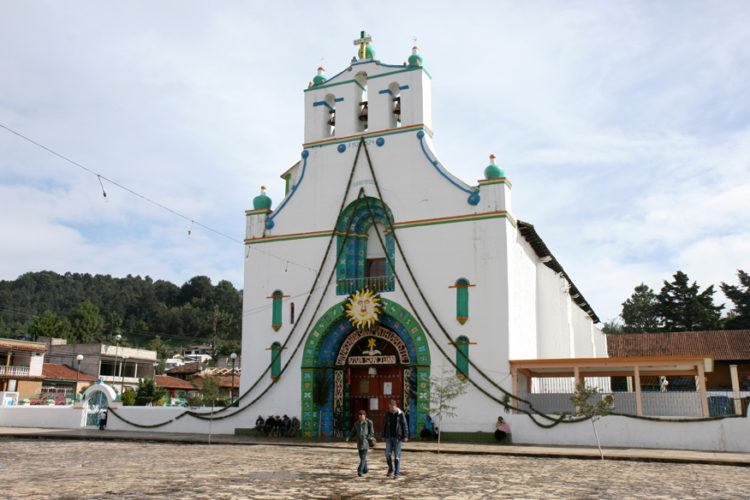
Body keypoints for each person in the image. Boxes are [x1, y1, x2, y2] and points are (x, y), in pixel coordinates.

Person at [382, 399, 408, 478]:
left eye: (392, 407)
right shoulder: (387, 414)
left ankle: (397, 473)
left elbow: (404, 425)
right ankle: (390, 469)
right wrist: (383, 435)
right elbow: (385, 424)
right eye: (389, 408)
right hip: (389, 437)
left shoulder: (401, 414)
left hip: (398, 437)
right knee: (387, 454)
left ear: (395, 406)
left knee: (397, 456)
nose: (391, 409)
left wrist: (406, 435)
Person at [346, 410, 375, 477]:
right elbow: (353, 431)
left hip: (365, 442)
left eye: (362, 416)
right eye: (359, 416)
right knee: (362, 457)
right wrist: (348, 437)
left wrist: (368, 438)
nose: (361, 418)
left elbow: (372, 433)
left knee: (363, 457)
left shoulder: (369, 422)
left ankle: (360, 471)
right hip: (359, 443)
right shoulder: (356, 423)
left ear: (365, 416)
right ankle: (365, 469)